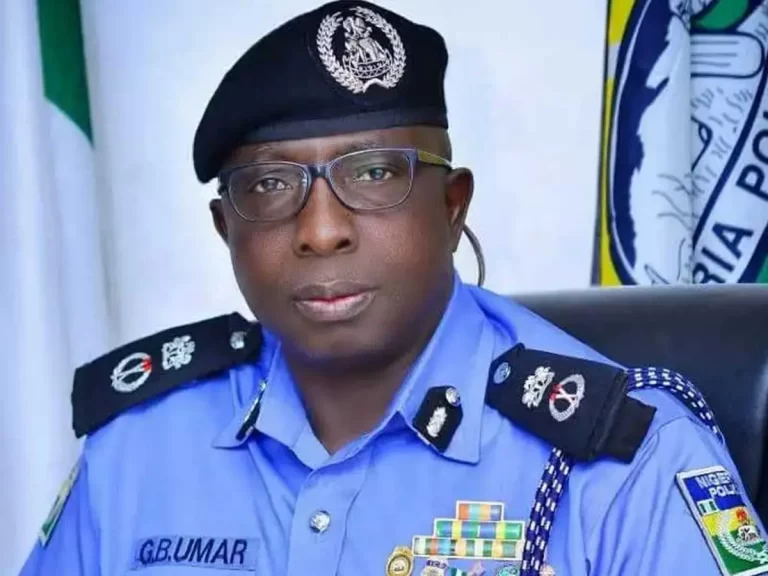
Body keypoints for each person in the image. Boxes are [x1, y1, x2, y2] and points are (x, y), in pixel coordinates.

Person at [19, 2, 768, 575]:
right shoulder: (139, 447)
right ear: (226, 229)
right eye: (271, 184)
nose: (320, 231)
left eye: (374, 174)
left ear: (452, 207)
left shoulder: (624, 460)